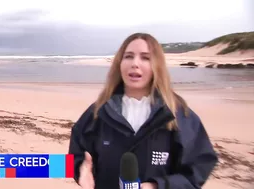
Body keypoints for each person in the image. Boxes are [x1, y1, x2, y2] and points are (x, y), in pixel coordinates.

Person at [68, 33, 218, 189]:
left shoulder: (178, 115)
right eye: (128, 56)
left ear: (157, 66)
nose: (135, 63)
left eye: (145, 58)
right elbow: (75, 156)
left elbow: (198, 169)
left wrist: (157, 186)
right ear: (119, 63)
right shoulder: (98, 112)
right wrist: (81, 170)